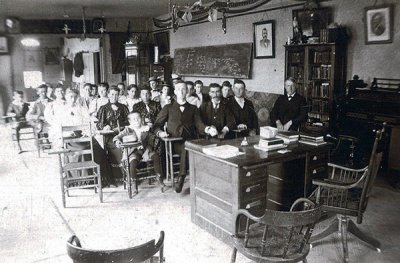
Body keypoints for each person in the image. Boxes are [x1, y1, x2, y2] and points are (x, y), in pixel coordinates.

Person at [153, 81, 217, 193]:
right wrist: (160, 133)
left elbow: (199, 124)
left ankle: (181, 177)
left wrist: (207, 129)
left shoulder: (193, 108)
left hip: (189, 141)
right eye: (179, 89)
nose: (181, 91)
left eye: (184, 89)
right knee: (186, 147)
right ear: (175, 92)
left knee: (188, 146)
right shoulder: (168, 107)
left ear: (187, 91)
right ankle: (182, 177)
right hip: (173, 143)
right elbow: (156, 126)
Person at [113, 111, 164, 187]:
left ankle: (159, 177)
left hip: (146, 150)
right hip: (133, 152)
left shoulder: (146, 129)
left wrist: (147, 152)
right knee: (132, 162)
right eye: (134, 119)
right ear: (130, 121)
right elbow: (116, 137)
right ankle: (133, 182)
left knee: (156, 156)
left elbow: (150, 142)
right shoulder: (128, 130)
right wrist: (117, 141)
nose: (136, 120)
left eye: (138, 118)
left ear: (141, 119)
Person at [96, 86, 130, 186]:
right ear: (108, 95)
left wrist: (121, 127)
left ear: (119, 95)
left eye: (116, 94)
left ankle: (129, 175)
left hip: (123, 133)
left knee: (129, 144)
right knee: (117, 147)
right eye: (112, 94)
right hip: (110, 136)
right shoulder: (103, 108)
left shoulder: (123, 107)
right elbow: (99, 124)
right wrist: (105, 126)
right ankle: (117, 177)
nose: (114, 96)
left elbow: (129, 121)